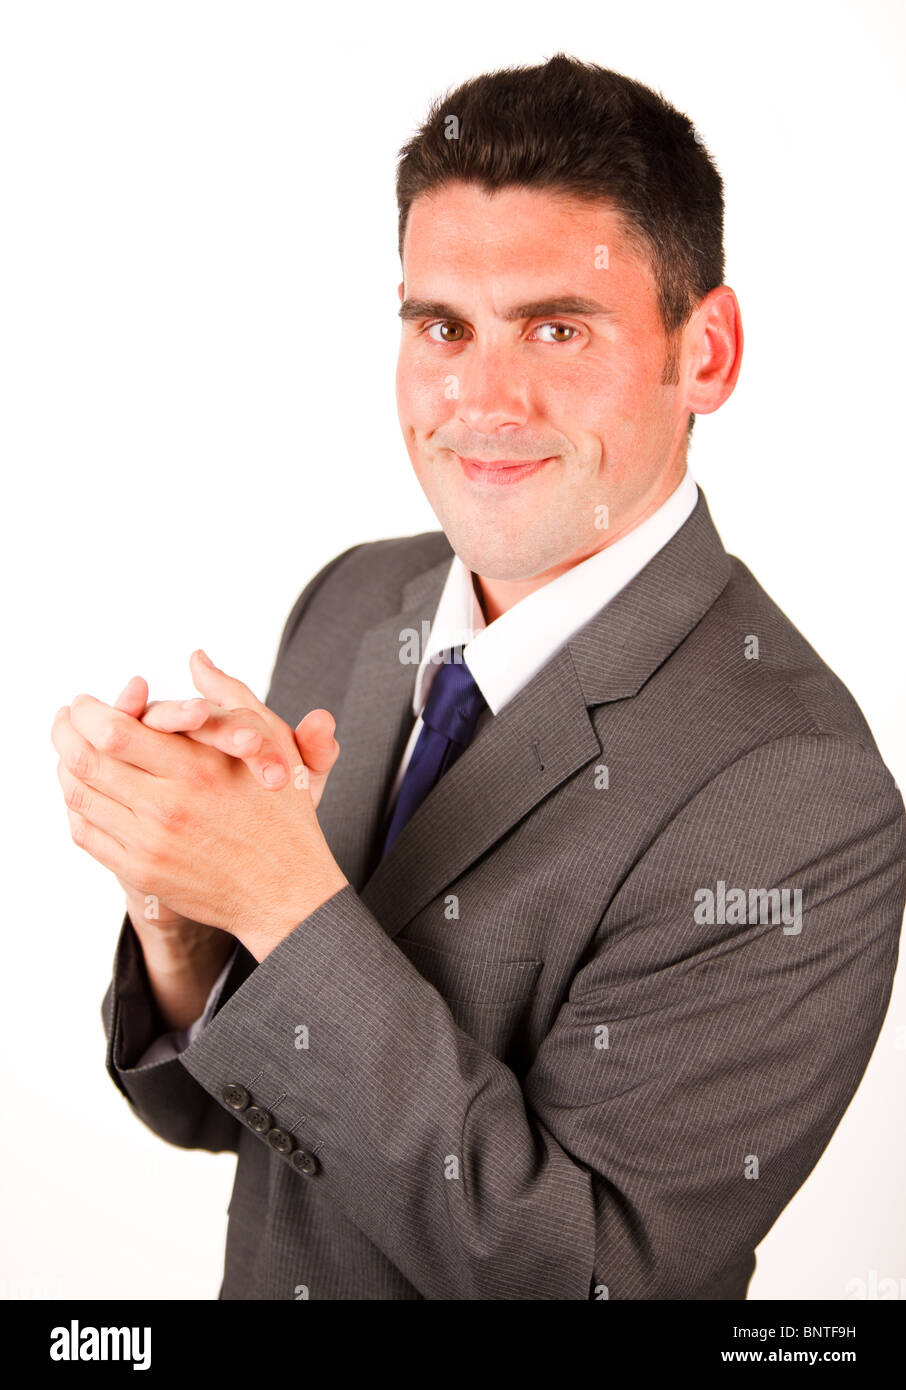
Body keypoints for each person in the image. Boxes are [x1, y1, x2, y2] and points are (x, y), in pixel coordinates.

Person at [52, 54, 906, 1300]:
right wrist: (186, 918)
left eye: (557, 328)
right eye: (443, 326)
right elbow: (244, 1123)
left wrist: (285, 908)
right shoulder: (353, 602)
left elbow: (595, 1276)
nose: (481, 397)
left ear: (706, 353)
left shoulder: (799, 802)